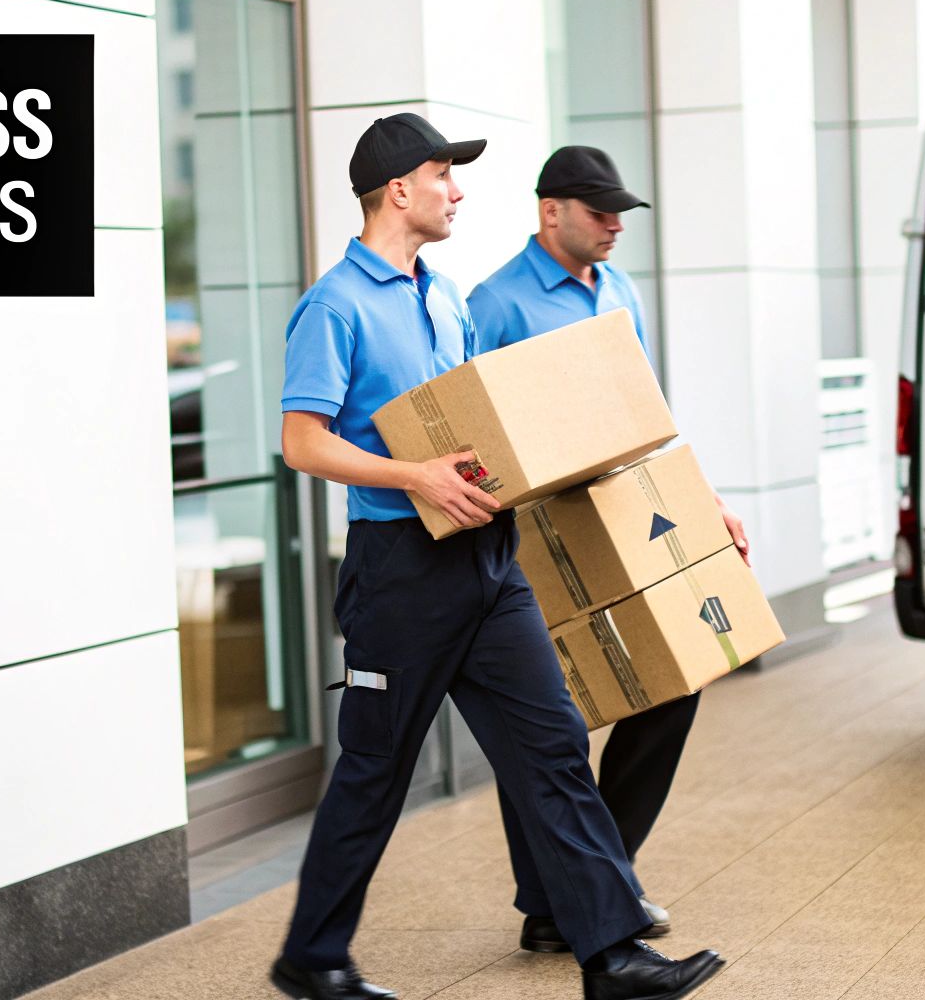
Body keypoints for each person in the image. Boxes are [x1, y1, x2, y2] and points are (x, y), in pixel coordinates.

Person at [270, 114, 724, 1000]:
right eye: (445, 175)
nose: (459, 191)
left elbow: (477, 423)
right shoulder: (334, 305)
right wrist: (416, 477)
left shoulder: (441, 297)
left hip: (489, 561)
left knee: (551, 747)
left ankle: (612, 953)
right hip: (399, 570)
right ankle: (313, 957)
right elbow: (302, 442)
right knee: (375, 770)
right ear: (399, 189)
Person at [467, 145, 749, 955]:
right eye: (598, 211)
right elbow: (471, 429)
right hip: (535, 538)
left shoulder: (618, 290)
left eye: (620, 210)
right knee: (550, 729)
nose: (615, 224)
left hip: (625, 516)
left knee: (674, 681)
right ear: (549, 211)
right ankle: (575, 901)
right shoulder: (495, 304)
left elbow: (647, 412)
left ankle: (590, 888)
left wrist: (708, 506)